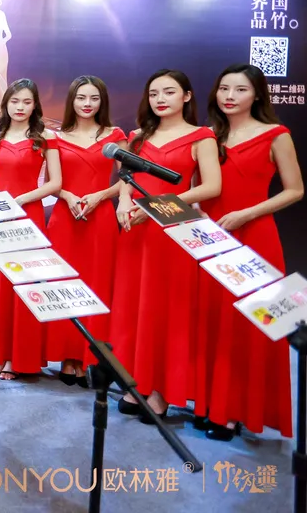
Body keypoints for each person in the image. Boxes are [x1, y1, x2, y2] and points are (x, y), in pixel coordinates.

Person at [110, 69, 221, 423]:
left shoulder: (202, 136)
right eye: (154, 93)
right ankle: (136, 381)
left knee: (166, 311)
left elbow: (210, 186)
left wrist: (155, 208)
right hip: (135, 231)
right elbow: (126, 178)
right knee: (134, 308)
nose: (160, 99)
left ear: (186, 96)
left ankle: (160, 390)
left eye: (169, 92)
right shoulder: (138, 137)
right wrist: (124, 201)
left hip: (174, 230)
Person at [199, 64, 300, 440]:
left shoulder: (277, 135)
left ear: (257, 94)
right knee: (212, 321)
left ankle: (236, 411)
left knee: (246, 325)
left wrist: (247, 213)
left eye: (240, 89)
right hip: (210, 236)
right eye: (224, 88)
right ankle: (211, 403)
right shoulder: (209, 136)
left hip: (255, 235)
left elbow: (295, 190)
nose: (230, 96)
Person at [0, 79, 60, 381]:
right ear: (6, 104)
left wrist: (22, 199)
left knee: (23, 286)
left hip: (28, 216)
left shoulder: (45, 137)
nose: (20, 107)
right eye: (15, 101)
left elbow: (55, 183)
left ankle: (16, 357)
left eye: (26, 102)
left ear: (35, 105)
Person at [44, 76, 125, 385]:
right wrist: (68, 197)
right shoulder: (56, 136)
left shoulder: (115, 135)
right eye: (81, 98)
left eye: (94, 98)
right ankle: (67, 356)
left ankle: (92, 355)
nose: (87, 104)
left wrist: (100, 196)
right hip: (65, 218)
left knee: (98, 284)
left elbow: (127, 180)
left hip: (101, 217)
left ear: (102, 101)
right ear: (72, 101)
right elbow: (51, 182)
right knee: (64, 285)